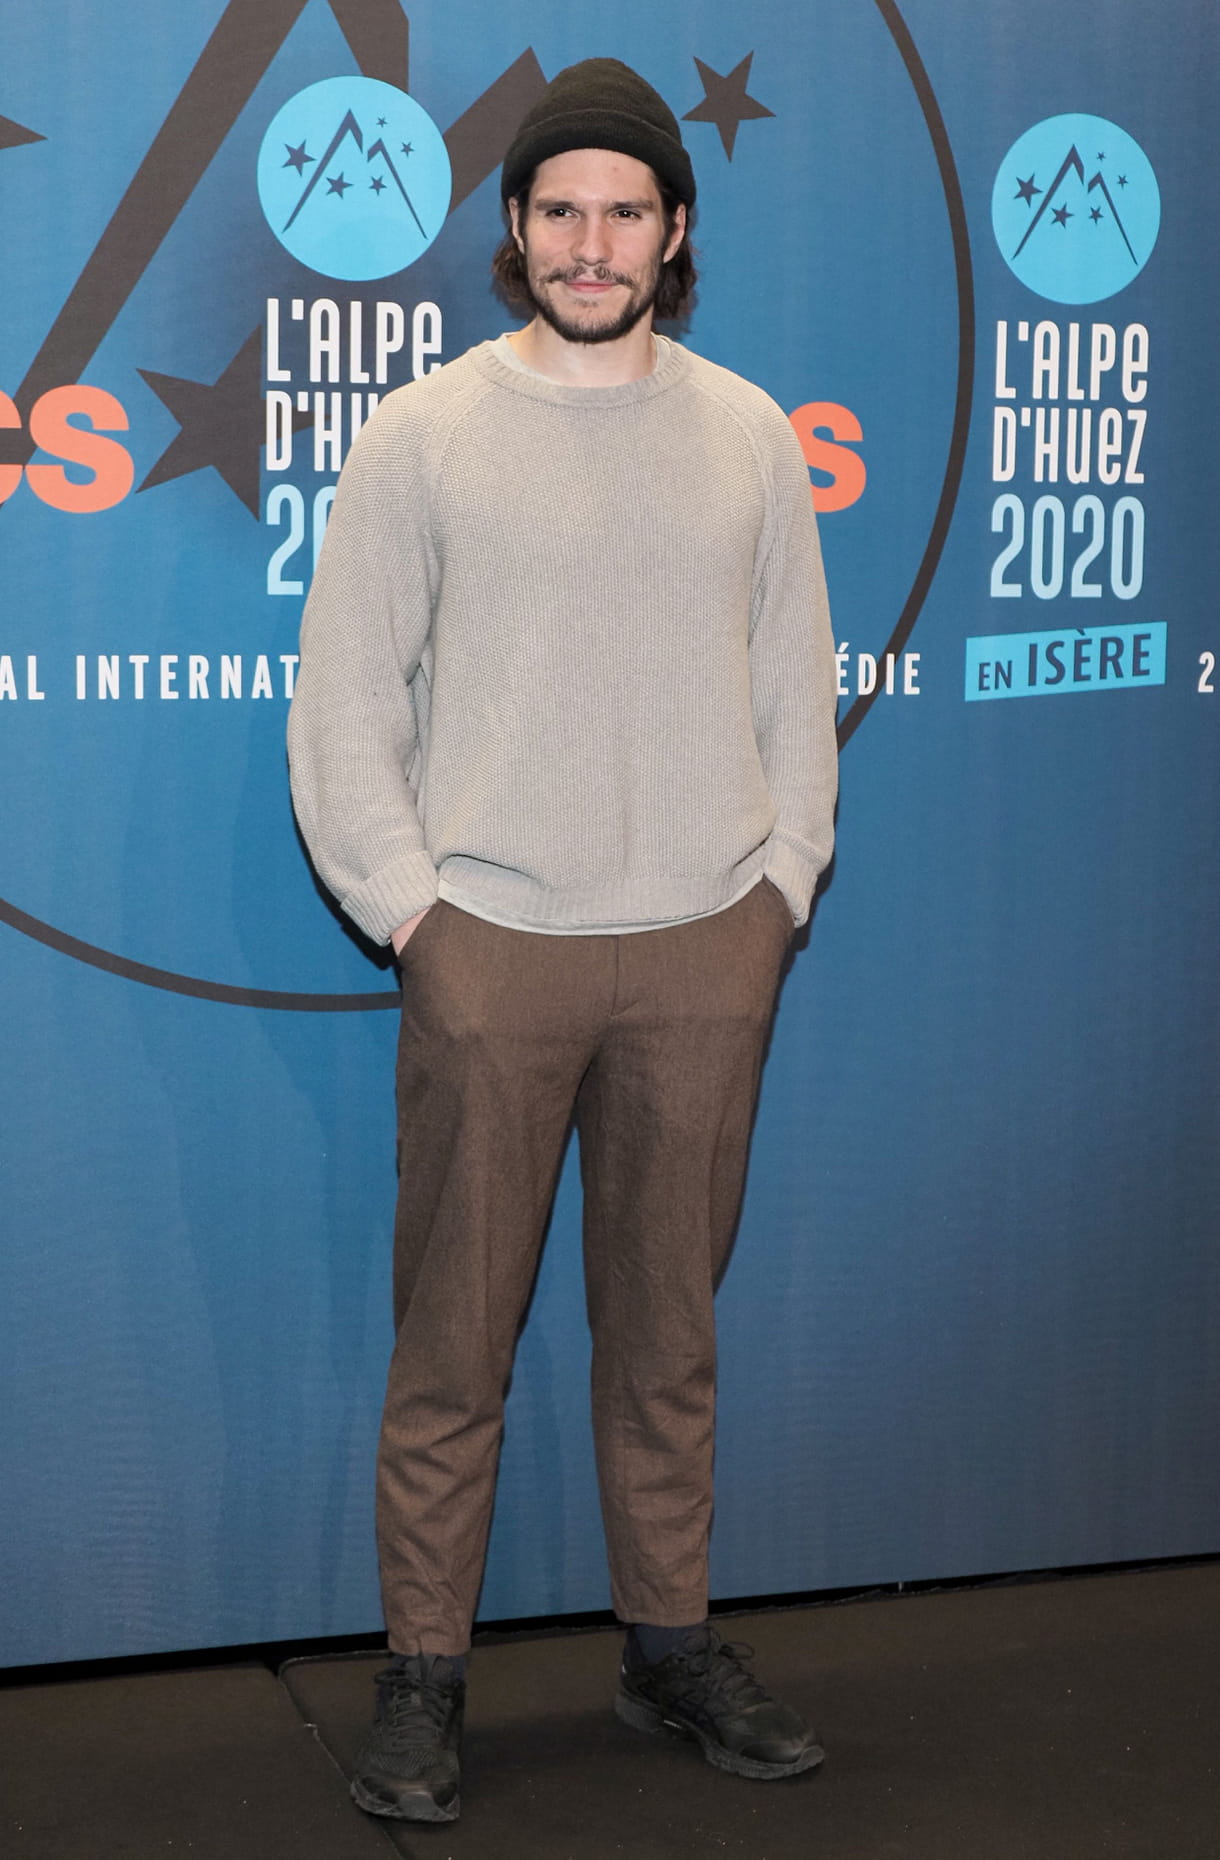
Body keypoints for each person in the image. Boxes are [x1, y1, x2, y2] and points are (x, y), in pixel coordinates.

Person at [287, 56, 839, 1825]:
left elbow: (796, 691)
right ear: (515, 231)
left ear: (675, 232)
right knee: (452, 1345)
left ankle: (667, 1646)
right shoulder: (423, 433)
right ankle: (423, 1674)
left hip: (704, 954)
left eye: (625, 210)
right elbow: (343, 703)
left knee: (668, 1340)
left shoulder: (750, 434)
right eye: (559, 211)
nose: (591, 243)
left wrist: (777, 894)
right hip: (490, 953)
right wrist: (416, 918)